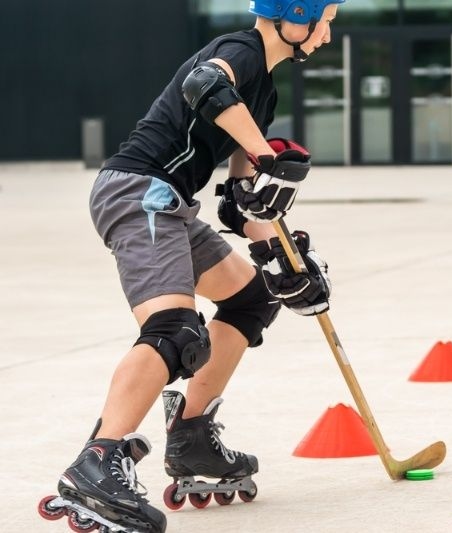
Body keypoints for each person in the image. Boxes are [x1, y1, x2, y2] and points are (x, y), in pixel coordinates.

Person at [37, 1, 343, 531]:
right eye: (327, 19)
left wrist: (283, 260)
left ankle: (192, 435)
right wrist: (268, 158)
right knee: (175, 331)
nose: (328, 33)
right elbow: (204, 84)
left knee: (252, 296)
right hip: (138, 192)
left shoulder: (263, 92)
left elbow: (241, 202)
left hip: (173, 202)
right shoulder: (240, 52)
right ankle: (99, 460)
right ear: (297, 15)